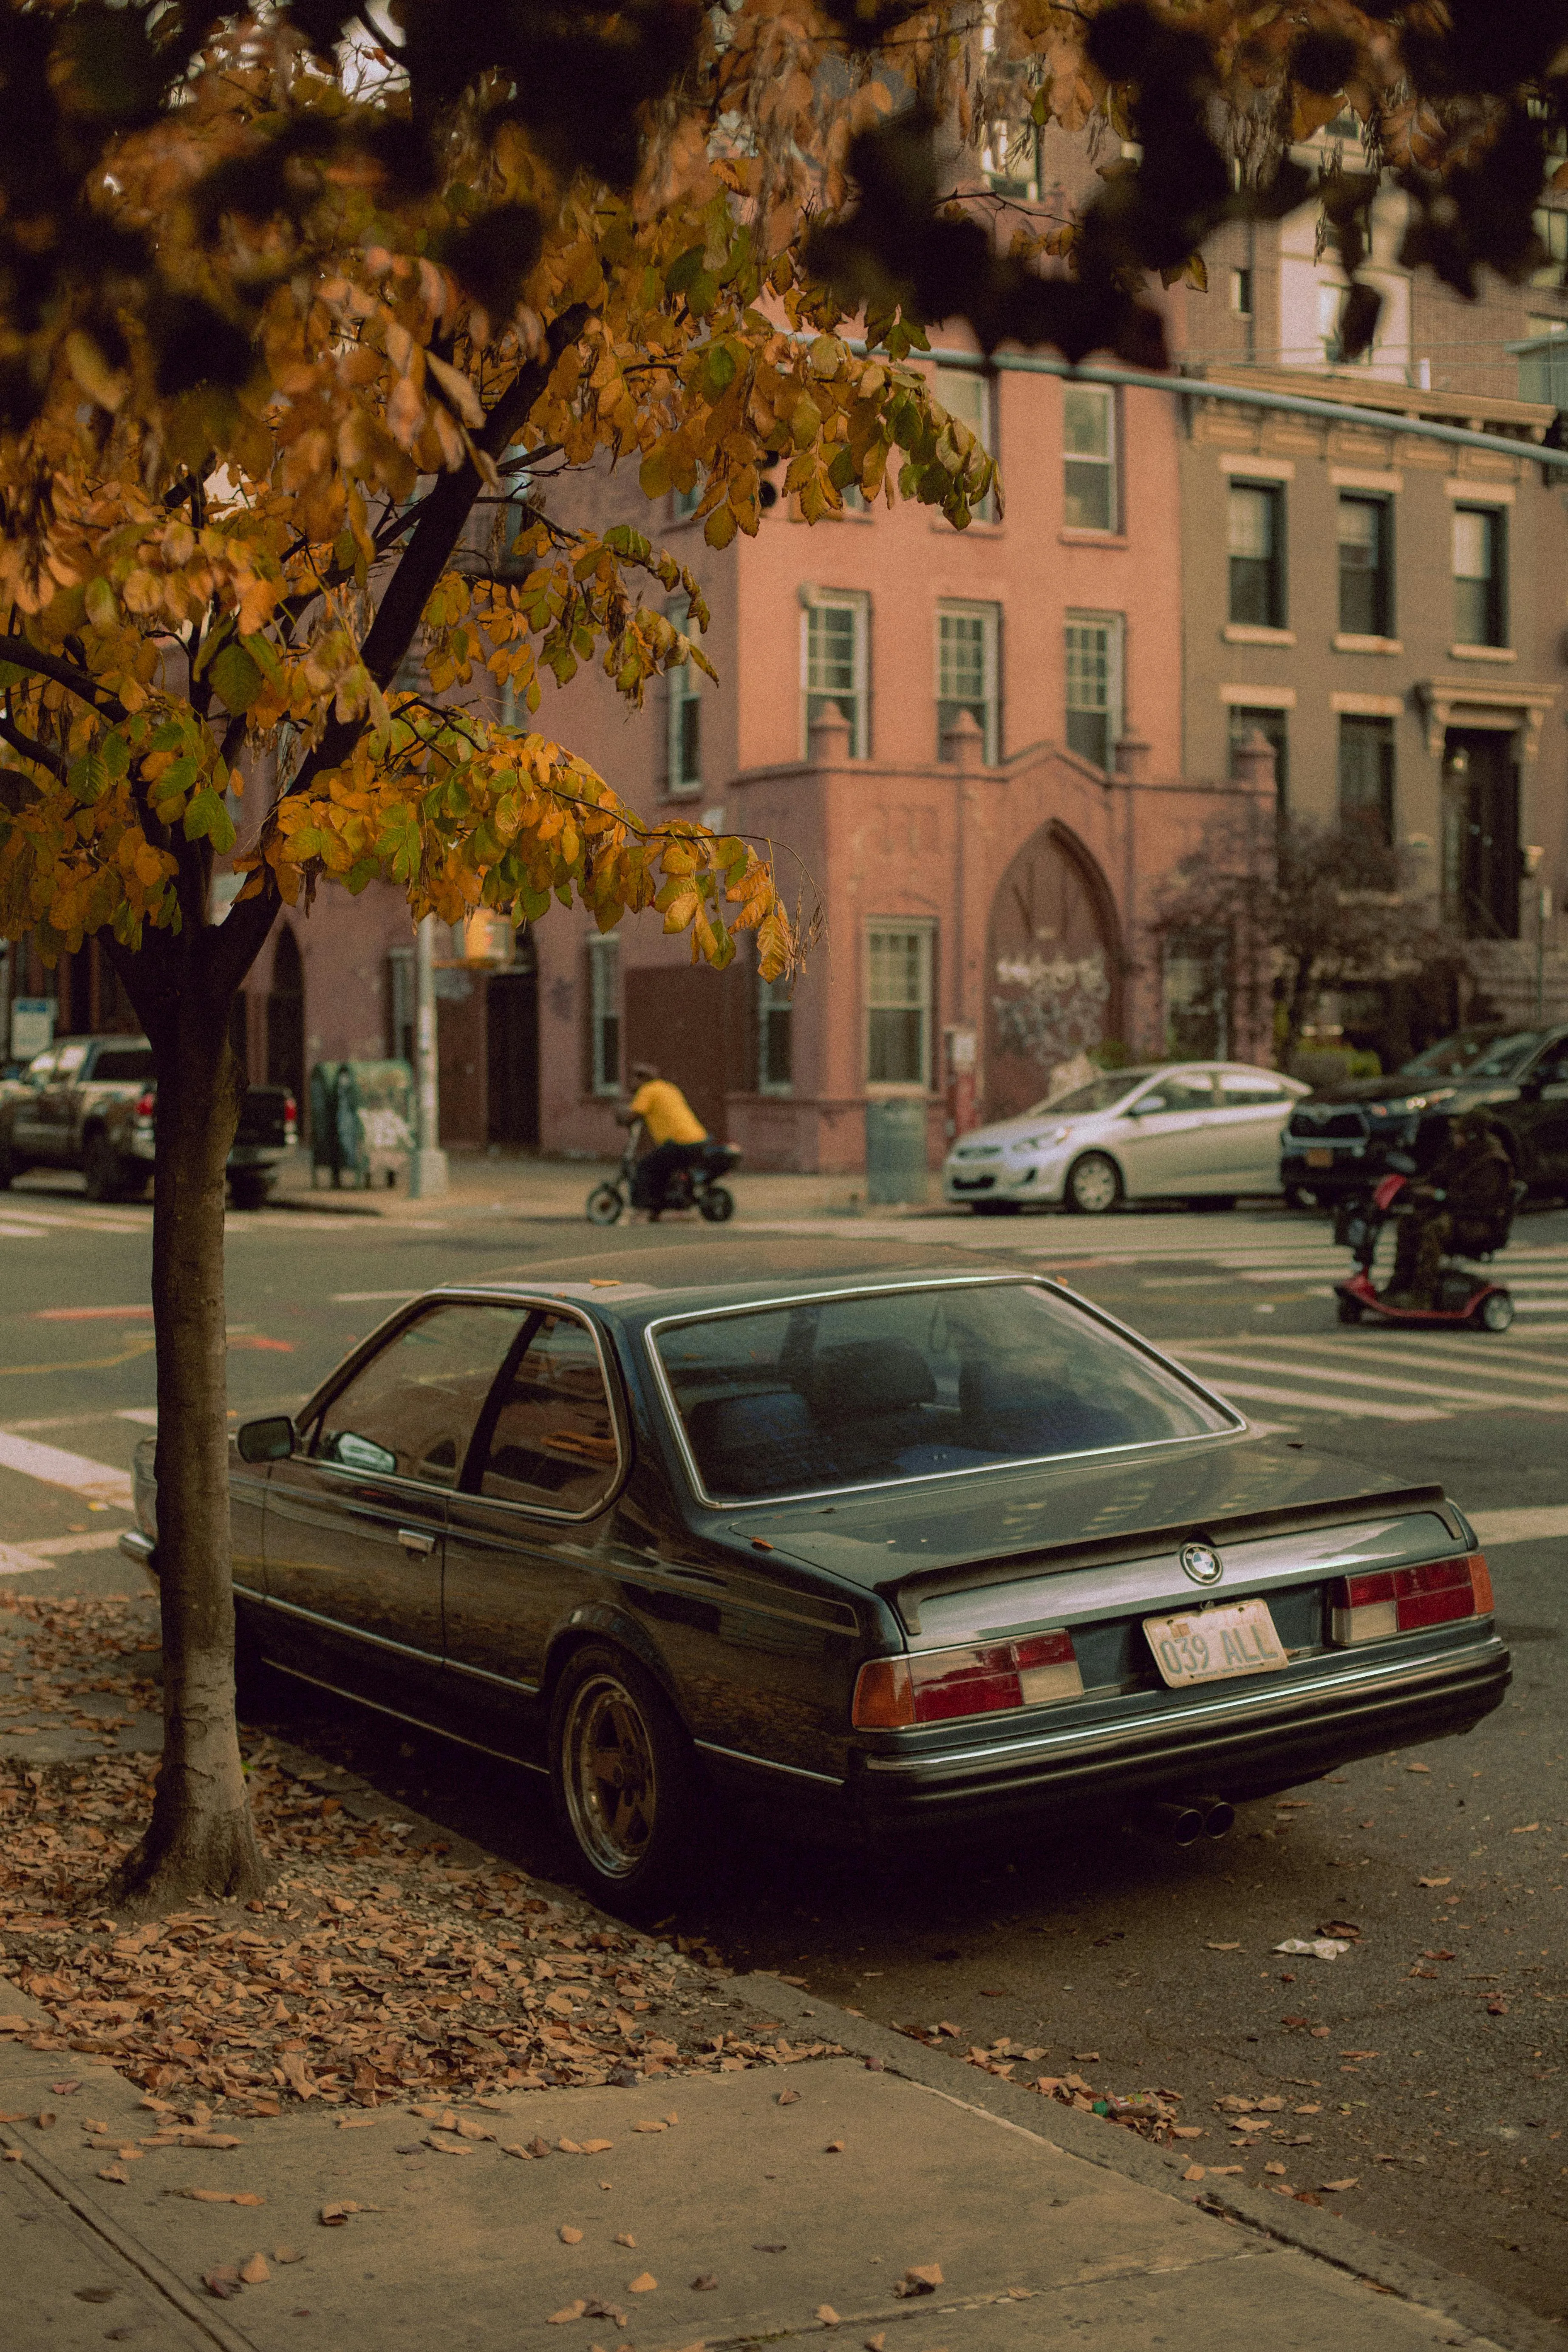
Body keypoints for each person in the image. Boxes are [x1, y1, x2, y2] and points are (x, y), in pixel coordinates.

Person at [1384, 1109, 1516, 1309]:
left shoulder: (1493, 1163)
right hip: (1457, 1214)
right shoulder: (1461, 1155)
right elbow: (1437, 1176)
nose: (1455, 1138)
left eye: (1459, 1133)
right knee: (1409, 1222)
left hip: (1478, 1224)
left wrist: (1439, 1196)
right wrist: (1407, 1187)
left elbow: (1478, 1203)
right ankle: (1400, 1285)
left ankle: (1422, 1296)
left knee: (1435, 1230)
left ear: (1472, 1135)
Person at [618, 1061, 708, 1216]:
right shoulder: (669, 1088)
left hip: (679, 1142)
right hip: (699, 1140)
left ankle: (643, 1206)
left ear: (642, 1079)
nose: (632, 1083)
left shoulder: (647, 1090)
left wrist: (622, 1116)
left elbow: (633, 1115)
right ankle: (662, 1204)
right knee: (662, 1168)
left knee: (644, 1167)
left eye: (635, 1079)